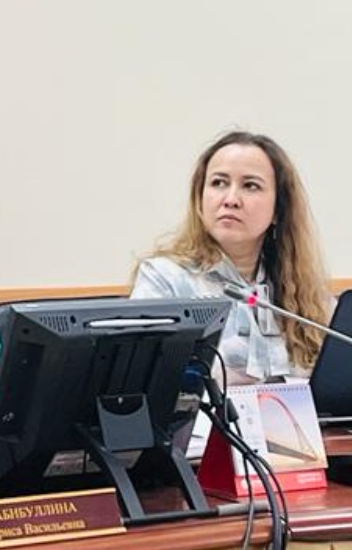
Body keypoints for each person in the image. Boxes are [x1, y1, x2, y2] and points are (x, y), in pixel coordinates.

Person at [131, 132, 333, 381]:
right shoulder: (164, 279)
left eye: (250, 186)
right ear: (199, 199)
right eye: (218, 183)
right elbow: (146, 379)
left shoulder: (305, 292)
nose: (231, 200)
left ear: (278, 210)